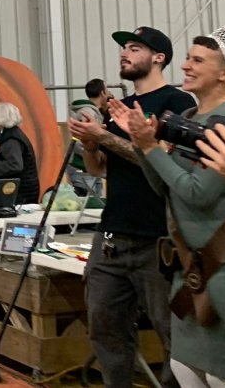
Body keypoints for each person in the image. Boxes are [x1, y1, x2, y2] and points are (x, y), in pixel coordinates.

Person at [108, 26, 225, 387]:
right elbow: (164, 189)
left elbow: (197, 192)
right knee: (187, 373)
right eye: (187, 57)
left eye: (197, 60)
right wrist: (144, 144)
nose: (185, 66)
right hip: (189, 279)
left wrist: (152, 148)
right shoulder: (186, 122)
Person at [69, 26, 195, 388]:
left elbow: (164, 163)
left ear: (159, 58)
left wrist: (105, 136)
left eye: (135, 48)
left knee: (174, 337)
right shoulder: (117, 110)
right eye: (123, 48)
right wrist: (91, 144)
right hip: (110, 239)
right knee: (105, 331)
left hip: (158, 242)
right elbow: (99, 171)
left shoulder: (178, 105)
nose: (124, 53)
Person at [0, 103, 40, 205]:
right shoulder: (10, 135)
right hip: (22, 191)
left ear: (2, 119)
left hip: (20, 194)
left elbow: (15, 166)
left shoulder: (10, 140)